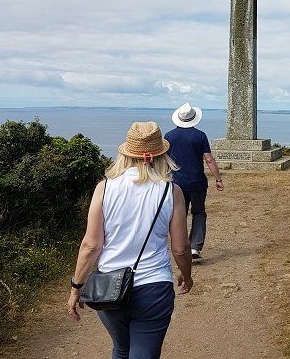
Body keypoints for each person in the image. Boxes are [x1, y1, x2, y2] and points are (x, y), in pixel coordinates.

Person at [66, 121, 193, 359]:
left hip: (109, 287)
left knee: (121, 348)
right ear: (161, 155)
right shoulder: (171, 191)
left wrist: (76, 288)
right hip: (154, 287)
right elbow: (180, 248)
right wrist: (187, 275)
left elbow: (91, 245)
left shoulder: (104, 188)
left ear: (125, 154)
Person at [164, 102, 224, 260]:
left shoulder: (169, 136)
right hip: (197, 182)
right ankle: (195, 247)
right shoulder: (200, 135)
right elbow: (209, 160)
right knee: (198, 213)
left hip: (176, 183)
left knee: (178, 214)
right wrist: (218, 179)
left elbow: (164, 160)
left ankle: (180, 245)